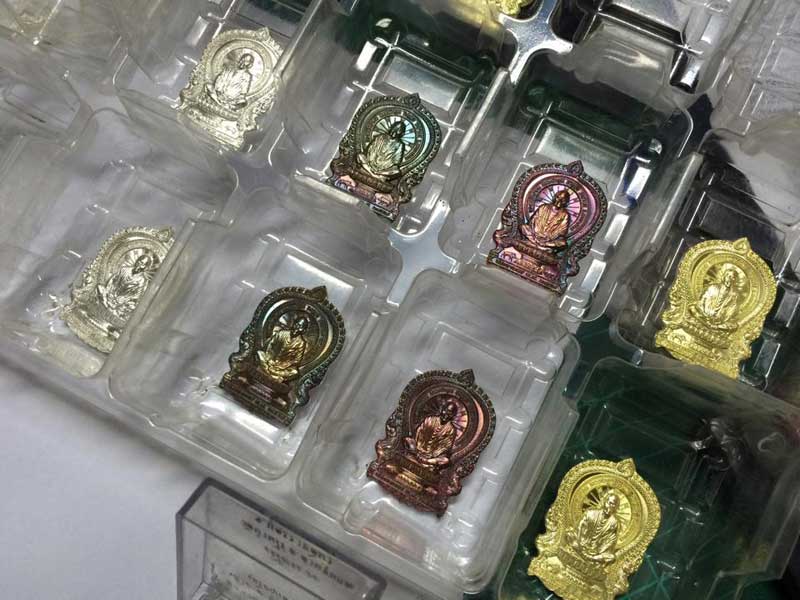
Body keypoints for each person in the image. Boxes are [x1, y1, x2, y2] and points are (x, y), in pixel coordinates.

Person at [97, 251, 158, 320]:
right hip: (111, 294)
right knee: (99, 287)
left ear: (145, 268)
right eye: (139, 261)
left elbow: (135, 297)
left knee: (131, 308)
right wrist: (109, 290)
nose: (139, 264)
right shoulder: (124, 269)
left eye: (142, 264)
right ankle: (106, 303)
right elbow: (112, 280)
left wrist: (124, 300)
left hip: (122, 303)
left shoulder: (142, 281)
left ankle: (113, 310)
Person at [569, 490, 621, 563]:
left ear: (617, 508)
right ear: (605, 502)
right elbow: (580, 528)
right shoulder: (591, 513)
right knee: (569, 534)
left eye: (614, 505)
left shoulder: (614, 523)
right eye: (610, 503)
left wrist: (600, 550)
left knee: (611, 557)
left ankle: (591, 558)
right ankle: (588, 557)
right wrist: (581, 542)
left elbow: (611, 540)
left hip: (596, 551)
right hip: (581, 544)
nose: (611, 506)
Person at [405, 400, 459, 466]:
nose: (446, 415)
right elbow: (419, 432)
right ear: (441, 410)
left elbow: (445, 447)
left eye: (449, 413)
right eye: (445, 411)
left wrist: (432, 455)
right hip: (417, 449)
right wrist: (417, 448)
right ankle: (417, 457)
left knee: (445, 460)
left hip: (431, 457)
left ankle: (426, 461)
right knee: (407, 439)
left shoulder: (451, 430)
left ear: (453, 416)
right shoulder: (430, 419)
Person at [689, 264, 743, 330]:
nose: (730, 279)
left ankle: (711, 326)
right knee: (692, 308)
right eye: (728, 276)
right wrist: (704, 312)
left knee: (733, 327)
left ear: (735, 280)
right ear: (724, 277)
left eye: (732, 277)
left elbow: (731, 310)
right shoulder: (713, 287)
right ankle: (708, 324)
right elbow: (702, 300)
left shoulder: (734, 295)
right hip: (703, 314)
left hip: (718, 321)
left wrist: (721, 319)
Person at [258, 315, 309, 382]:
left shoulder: (301, 343)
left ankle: (270, 371)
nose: (297, 328)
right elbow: (271, 344)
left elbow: (297, 360)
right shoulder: (282, 333)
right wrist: (269, 357)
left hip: (282, 367)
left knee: (294, 372)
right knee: (259, 353)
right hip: (270, 359)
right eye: (297, 324)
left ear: (303, 330)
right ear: (293, 324)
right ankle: (273, 374)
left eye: (300, 327)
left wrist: (283, 365)